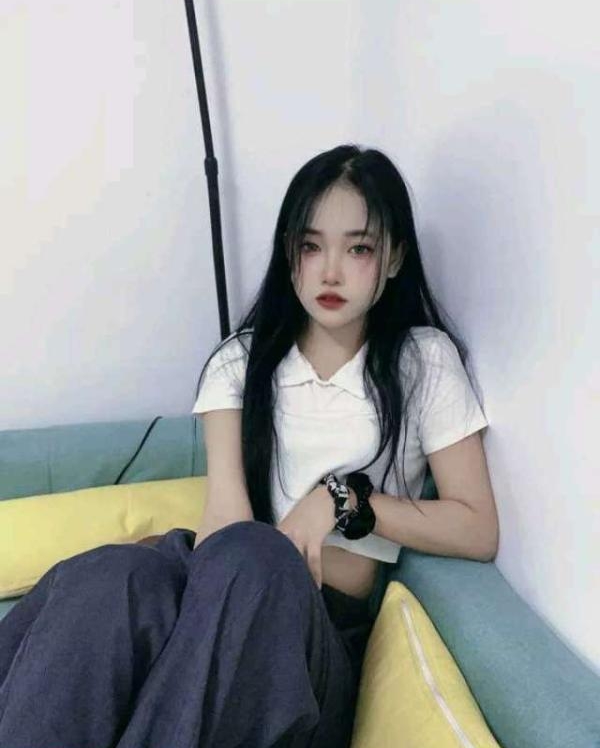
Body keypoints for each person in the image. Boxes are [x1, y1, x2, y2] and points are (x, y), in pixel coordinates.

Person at [0, 144, 499, 747]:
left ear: (393, 257)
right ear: (289, 254)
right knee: (116, 575)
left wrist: (341, 500)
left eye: (358, 248)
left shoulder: (423, 362)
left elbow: (477, 528)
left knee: (258, 558)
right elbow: (225, 517)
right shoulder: (239, 361)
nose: (330, 272)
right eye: (311, 247)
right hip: (218, 584)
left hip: (309, 631)